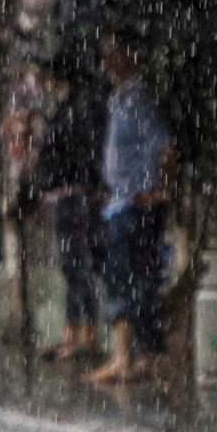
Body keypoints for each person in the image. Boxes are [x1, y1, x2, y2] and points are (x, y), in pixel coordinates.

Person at [86, 29, 173, 385]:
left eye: (113, 51)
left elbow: (166, 148)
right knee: (130, 280)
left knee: (129, 281)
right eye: (104, 52)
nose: (106, 60)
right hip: (119, 204)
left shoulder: (137, 101)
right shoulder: (118, 100)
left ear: (131, 56)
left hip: (134, 208)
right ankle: (144, 357)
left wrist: (161, 190)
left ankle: (127, 358)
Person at [31, 48, 105, 361]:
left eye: (46, 76)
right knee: (71, 266)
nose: (42, 83)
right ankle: (71, 332)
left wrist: (91, 185)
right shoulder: (63, 108)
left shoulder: (78, 108)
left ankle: (84, 335)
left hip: (74, 197)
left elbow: (84, 152)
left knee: (78, 266)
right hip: (62, 197)